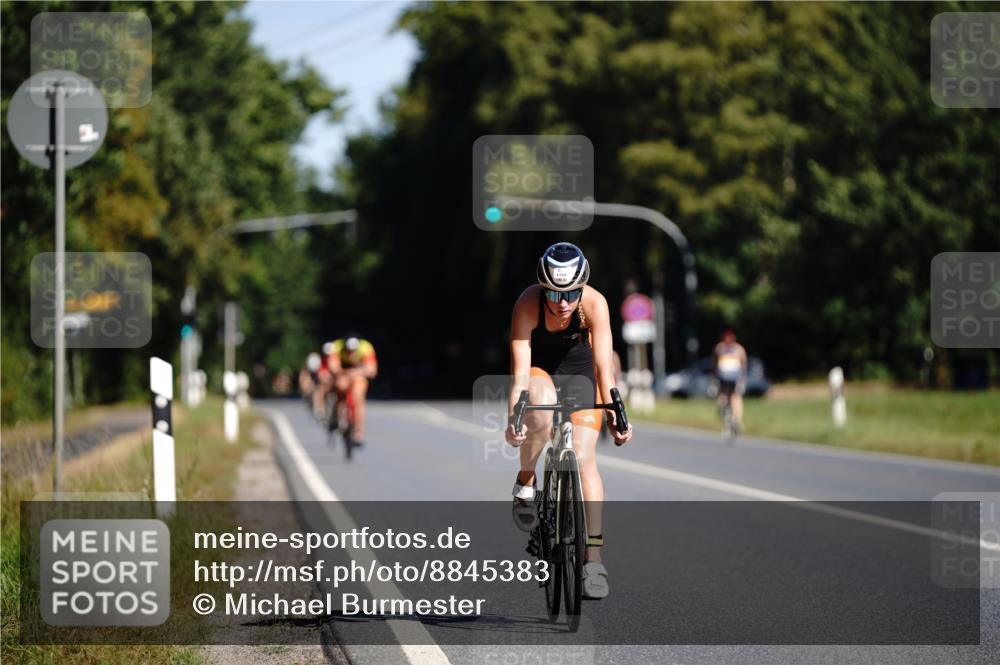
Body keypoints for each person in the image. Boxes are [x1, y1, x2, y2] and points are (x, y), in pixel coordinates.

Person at [505, 242, 633, 600]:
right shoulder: (528, 303)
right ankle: (526, 482)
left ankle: (593, 560)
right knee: (541, 413)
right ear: (542, 287)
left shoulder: (594, 303)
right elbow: (518, 378)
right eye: (554, 293)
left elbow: (605, 371)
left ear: (583, 287)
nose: (562, 302)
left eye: (571, 292)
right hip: (540, 369)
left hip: (580, 372)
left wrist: (616, 415)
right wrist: (514, 418)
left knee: (584, 456)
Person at [326, 335, 378, 445]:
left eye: (353, 351)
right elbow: (333, 367)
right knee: (340, 386)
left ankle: (359, 432)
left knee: (358, 398)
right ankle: (336, 417)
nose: (350, 354)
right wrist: (345, 373)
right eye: (348, 351)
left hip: (358, 375)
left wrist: (356, 373)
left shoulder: (366, 347)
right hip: (342, 374)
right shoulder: (336, 346)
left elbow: (372, 370)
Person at [713, 329, 748, 432]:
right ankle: (724, 414)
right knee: (723, 396)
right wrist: (714, 377)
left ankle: (737, 420)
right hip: (723, 377)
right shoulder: (720, 348)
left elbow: (743, 365)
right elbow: (715, 363)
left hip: (734, 378)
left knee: (736, 398)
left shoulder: (738, 349)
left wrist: (743, 379)